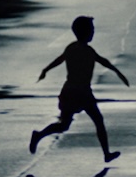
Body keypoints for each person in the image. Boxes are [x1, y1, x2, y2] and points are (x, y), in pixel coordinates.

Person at [30, 16, 129, 162]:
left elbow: (60, 59)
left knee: (65, 125)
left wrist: (46, 69)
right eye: (91, 30)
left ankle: (39, 135)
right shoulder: (87, 50)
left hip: (70, 91)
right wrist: (117, 71)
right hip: (81, 92)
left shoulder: (72, 48)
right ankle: (106, 154)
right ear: (85, 32)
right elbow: (103, 61)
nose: (93, 32)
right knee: (96, 121)